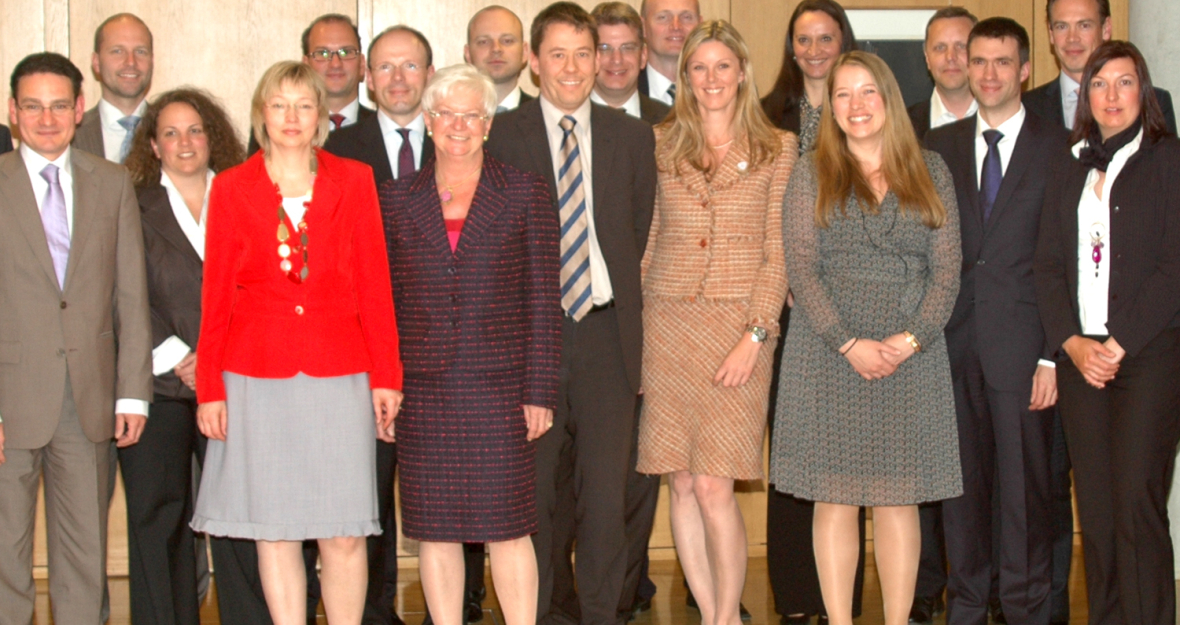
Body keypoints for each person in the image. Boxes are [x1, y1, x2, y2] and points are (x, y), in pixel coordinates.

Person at [191, 61, 403, 625]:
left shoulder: (354, 180)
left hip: (340, 377)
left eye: (304, 105)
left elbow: (375, 285)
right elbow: (215, 299)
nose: (291, 117)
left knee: (344, 534)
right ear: (262, 114)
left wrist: (387, 376)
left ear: (321, 116)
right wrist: (209, 387)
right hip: (256, 378)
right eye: (279, 105)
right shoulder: (232, 188)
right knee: (276, 533)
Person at [772, 50, 963, 625]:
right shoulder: (810, 171)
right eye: (842, 95)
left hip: (912, 354)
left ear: (888, 100)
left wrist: (911, 339)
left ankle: (899, 619)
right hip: (827, 352)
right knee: (833, 497)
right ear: (830, 107)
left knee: (899, 499)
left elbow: (947, 268)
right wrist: (848, 342)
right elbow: (801, 269)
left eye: (866, 93)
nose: (855, 106)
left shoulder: (931, 169)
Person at [486, 4, 657, 625]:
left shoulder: (632, 137)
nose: (573, 67)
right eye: (557, 54)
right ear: (533, 63)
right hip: (531, 341)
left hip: (609, 337)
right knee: (535, 499)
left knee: (607, 500)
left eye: (583, 54)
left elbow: (637, 236)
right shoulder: (501, 136)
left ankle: (600, 614)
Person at [380, 62, 561, 625]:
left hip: (501, 390)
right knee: (435, 531)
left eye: (472, 115)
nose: (458, 125)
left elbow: (543, 298)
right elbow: (383, 301)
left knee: (508, 527)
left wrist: (540, 390)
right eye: (446, 114)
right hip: (423, 391)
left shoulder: (525, 191)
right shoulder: (394, 197)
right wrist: (383, 384)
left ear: (488, 124)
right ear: (429, 121)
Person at [638, 18, 793, 625]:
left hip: (738, 333)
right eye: (698, 68)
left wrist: (755, 334)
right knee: (678, 483)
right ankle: (708, 613)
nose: (710, 79)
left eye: (722, 66)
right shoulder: (660, 144)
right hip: (668, 327)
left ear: (742, 73)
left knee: (714, 486)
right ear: (685, 77)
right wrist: (638, 342)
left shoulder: (779, 147)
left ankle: (727, 615)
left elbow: (779, 251)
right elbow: (650, 242)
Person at [924, 17, 1067, 625]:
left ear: (1025, 69)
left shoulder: (1061, 147)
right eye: (976, 60)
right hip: (951, 351)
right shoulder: (941, 148)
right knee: (960, 498)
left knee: (1024, 502)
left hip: (1025, 353)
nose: (986, 73)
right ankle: (967, 608)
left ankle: (1027, 610)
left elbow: (1069, 261)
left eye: (1001, 62)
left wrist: (1052, 355)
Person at [0, 51, 152, 625]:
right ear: (14, 112)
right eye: (33, 106)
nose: (47, 119)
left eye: (59, 105)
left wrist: (133, 393)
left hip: (88, 400)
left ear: (79, 108)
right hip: (8, 404)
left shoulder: (111, 184)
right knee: (3, 555)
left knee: (85, 556)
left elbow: (131, 294)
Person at [1035, 40, 1180, 625]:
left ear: (1142, 92)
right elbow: (1046, 265)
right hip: (1080, 360)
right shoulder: (1069, 164)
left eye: (1124, 83)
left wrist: (1116, 344)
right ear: (1085, 97)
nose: (1111, 95)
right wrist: (1072, 344)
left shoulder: (1168, 159)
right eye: (1100, 84)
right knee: (1095, 513)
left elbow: (1175, 266)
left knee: (1135, 507)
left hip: (1147, 355)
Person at [119, 87, 245, 625]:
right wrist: (178, 356)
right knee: (158, 519)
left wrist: (216, 355)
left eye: (194, 129)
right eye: (169, 132)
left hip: (236, 384)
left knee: (241, 525)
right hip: (160, 385)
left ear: (212, 136)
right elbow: (121, 291)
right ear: (153, 145)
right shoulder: (130, 205)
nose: (184, 141)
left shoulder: (245, 197)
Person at [759, 3, 868, 622]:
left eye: (828, 37)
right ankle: (799, 599)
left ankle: (842, 603)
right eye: (806, 39)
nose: (817, 48)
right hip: (786, 314)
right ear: (792, 47)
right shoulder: (769, 115)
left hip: (857, 317)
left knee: (849, 461)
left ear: (844, 41)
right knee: (796, 458)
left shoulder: (873, 112)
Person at [1025, 0, 1175, 134]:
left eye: (1084, 25)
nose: (1072, 38)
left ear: (1106, 29)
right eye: (1062, 26)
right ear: (1051, 34)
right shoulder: (1027, 108)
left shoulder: (1154, 103)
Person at [247, 14, 375, 156]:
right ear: (306, 65)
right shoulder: (275, 128)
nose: (336, 63)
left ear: (362, 64)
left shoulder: (380, 129)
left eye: (346, 52)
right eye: (323, 53)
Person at [325, 25, 436, 186]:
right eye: (385, 67)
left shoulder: (453, 141)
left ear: (430, 76)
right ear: (370, 78)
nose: (398, 77)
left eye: (410, 66)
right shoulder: (336, 149)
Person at [74, 13, 154, 163]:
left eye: (140, 51)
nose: (131, 62)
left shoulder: (173, 132)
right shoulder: (70, 136)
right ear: (96, 62)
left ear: (152, 60)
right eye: (117, 51)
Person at [591, 2, 671, 124]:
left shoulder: (670, 122)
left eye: (627, 48)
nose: (617, 59)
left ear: (643, 56)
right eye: (605, 48)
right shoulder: (568, 120)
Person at [908, 7, 978, 142]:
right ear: (927, 58)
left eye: (961, 46)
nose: (950, 57)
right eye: (940, 47)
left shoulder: (1005, 120)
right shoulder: (902, 126)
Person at [465, 6, 533, 111]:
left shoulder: (546, 120)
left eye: (507, 41)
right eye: (484, 42)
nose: (496, 49)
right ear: (468, 54)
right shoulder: (446, 119)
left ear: (524, 52)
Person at [638, 0, 700, 106]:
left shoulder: (714, 91)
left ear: (700, 25)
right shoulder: (625, 93)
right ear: (643, 26)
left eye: (686, 17)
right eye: (663, 17)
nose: (676, 26)